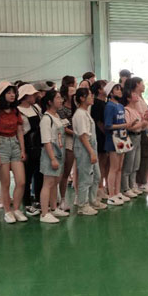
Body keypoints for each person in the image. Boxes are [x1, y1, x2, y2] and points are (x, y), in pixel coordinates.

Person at [0, 81, 27, 224]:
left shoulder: (15, 110)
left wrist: (22, 149)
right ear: (2, 95)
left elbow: (19, 131)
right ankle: (7, 211)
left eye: (13, 92)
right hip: (0, 144)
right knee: (5, 182)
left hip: (14, 144)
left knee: (21, 181)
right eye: (8, 92)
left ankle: (16, 209)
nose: (12, 95)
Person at [72, 87, 105, 215]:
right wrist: (91, 152)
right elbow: (83, 136)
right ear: (82, 98)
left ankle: (92, 200)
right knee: (85, 177)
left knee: (96, 176)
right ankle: (82, 205)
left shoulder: (85, 112)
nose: (92, 97)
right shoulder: (80, 114)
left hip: (91, 147)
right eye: (89, 95)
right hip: (85, 148)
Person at [38, 90, 67, 224]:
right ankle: (44, 213)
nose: (61, 100)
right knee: (48, 183)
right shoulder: (46, 119)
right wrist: (53, 158)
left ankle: (54, 208)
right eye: (58, 98)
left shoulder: (56, 115)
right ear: (50, 102)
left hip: (59, 152)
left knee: (55, 182)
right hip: (51, 154)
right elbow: (46, 141)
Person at [18, 84, 43, 216]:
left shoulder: (36, 108)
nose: (35, 96)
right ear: (25, 96)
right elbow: (20, 133)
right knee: (26, 176)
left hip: (38, 145)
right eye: (32, 94)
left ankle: (38, 199)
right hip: (27, 146)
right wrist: (22, 150)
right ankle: (27, 203)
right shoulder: (18, 111)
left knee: (39, 174)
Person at [121, 78, 146, 198]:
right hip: (131, 137)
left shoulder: (136, 110)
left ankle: (133, 185)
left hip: (138, 137)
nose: (137, 96)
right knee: (128, 164)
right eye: (134, 95)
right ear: (128, 98)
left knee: (136, 164)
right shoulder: (127, 110)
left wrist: (144, 121)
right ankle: (125, 187)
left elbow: (142, 124)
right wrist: (141, 123)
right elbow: (129, 127)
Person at [104, 82, 128, 206]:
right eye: (117, 89)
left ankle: (118, 192)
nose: (120, 91)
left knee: (119, 167)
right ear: (111, 93)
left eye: (120, 89)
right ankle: (111, 195)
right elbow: (108, 125)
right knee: (113, 168)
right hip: (113, 139)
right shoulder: (109, 106)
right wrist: (125, 125)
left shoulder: (121, 106)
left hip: (122, 138)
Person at [57, 84, 76, 213]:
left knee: (71, 169)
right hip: (67, 139)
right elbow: (63, 127)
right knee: (64, 171)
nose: (74, 94)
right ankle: (61, 199)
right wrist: (76, 133)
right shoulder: (61, 109)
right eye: (71, 92)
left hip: (77, 139)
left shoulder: (76, 106)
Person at [90, 80, 109, 200]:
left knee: (106, 161)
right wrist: (106, 133)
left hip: (106, 135)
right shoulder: (97, 103)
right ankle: (99, 187)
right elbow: (98, 122)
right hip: (100, 135)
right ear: (99, 90)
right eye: (104, 87)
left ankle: (105, 185)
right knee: (101, 161)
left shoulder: (106, 103)